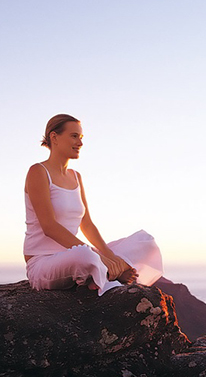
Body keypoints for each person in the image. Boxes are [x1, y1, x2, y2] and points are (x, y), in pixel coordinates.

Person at [23, 114, 163, 296]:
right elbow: (49, 227)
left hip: (74, 254)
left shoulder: (76, 177)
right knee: (85, 256)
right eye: (74, 136)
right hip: (43, 263)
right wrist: (101, 258)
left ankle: (106, 273)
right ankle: (104, 275)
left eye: (81, 137)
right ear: (54, 137)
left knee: (146, 243)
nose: (80, 143)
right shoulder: (38, 172)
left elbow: (87, 224)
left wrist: (112, 258)